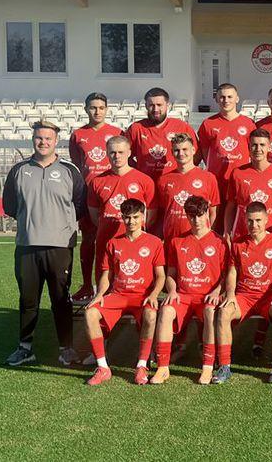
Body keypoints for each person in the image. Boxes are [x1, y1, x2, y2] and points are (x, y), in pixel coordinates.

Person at [3, 120, 85, 367]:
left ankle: (66, 349)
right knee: (28, 300)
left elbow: (80, 205)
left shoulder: (70, 170)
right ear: (33, 140)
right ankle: (25, 348)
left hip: (60, 246)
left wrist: (58, 224)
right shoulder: (19, 170)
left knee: (61, 299)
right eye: (39, 138)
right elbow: (10, 206)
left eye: (48, 138)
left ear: (56, 141)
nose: (43, 142)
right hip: (27, 245)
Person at [83, 199, 165, 385]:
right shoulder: (113, 243)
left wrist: (153, 295)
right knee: (90, 313)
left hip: (142, 296)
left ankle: (141, 365)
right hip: (118, 295)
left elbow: (161, 276)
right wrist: (99, 294)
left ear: (143, 217)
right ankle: (103, 367)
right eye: (127, 218)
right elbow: (106, 275)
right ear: (122, 218)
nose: (131, 222)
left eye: (135, 217)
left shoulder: (154, 242)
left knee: (151, 315)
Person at [150, 196, 226, 385]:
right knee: (166, 311)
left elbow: (227, 275)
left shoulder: (220, 242)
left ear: (207, 213)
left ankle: (207, 367)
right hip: (183, 295)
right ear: (186, 215)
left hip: (207, 296)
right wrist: (172, 291)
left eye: (200, 215)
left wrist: (217, 291)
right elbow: (170, 274)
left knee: (210, 312)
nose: (196, 220)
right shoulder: (177, 241)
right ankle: (162, 367)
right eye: (192, 216)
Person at [214, 202, 272, 384]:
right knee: (224, 312)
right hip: (244, 296)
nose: (253, 225)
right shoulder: (238, 243)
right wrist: (230, 294)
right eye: (249, 221)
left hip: (267, 297)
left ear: (266, 220)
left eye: (258, 220)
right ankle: (224, 366)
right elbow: (232, 272)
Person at [69, 92, 124, 302]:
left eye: (101, 108)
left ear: (107, 109)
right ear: (86, 109)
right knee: (88, 239)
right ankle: (86, 285)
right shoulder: (78, 135)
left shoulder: (117, 132)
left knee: (116, 239)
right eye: (93, 107)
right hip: (89, 195)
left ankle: (116, 285)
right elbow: (78, 163)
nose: (97, 112)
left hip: (113, 192)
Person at [86, 136, 156, 284]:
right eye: (112, 152)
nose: (116, 156)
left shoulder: (144, 180)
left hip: (134, 242)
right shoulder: (97, 181)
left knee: (132, 283)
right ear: (106, 153)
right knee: (105, 284)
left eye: (121, 152)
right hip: (106, 240)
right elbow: (94, 214)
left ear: (129, 153)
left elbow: (151, 213)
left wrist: (135, 229)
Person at [223, 128, 272, 239]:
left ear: (269, 147)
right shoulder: (238, 174)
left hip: (270, 237)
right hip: (242, 238)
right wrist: (227, 232)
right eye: (254, 145)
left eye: (262, 145)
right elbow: (231, 207)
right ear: (249, 147)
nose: (258, 149)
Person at [154, 133, 219, 242]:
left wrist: (207, 237)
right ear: (172, 153)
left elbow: (213, 213)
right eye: (177, 150)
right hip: (172, 239)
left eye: (185, 149)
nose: (181, 153)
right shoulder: (163, 180)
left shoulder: (208, 178)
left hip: (198, 240)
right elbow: (162, 213)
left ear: (193, 150)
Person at [125, 87, 198, 181]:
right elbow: (124, 155)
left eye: (159, 105)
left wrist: (183, 174)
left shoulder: (182, 127)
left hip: (174, 183)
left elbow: (196, 154)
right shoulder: (136, 128)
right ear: (146, 106)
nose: (155, 109)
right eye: (151, 105)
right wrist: (138, 173)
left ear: (167, 105)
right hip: (145, 183)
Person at [197, 83, 256, 184]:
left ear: (237, 99)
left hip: (241, 179)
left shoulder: (248, 124)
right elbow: (205, 152)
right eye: (222, 97)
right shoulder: (208, 124)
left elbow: (253, 151)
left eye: (229, 97)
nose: (226, 100)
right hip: (216, 179)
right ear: (216, 99)